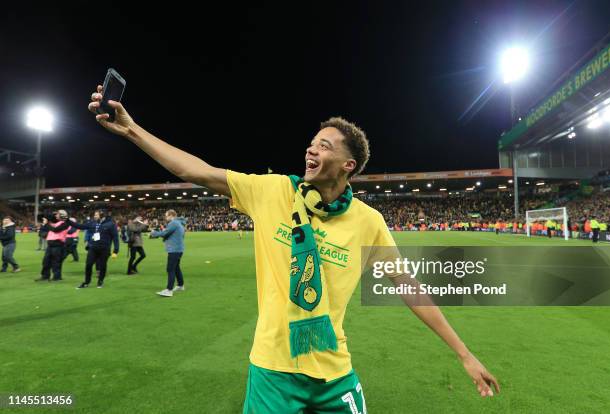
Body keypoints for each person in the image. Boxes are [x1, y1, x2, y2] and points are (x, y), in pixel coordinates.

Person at [88, 85, 499, 412]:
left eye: (323, 146)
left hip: (333, 371)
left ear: (347, 165)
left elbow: (409, 287)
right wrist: (132, 130)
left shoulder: (367, 221)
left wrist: (464, 354)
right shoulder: (273, 192)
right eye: (311, 142)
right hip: (271, 369)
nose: (311, 149)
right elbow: (193, 169)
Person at [72, 210, 119, 288]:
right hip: (93, 247)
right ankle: (86, 282)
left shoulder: (110, 224)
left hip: (105, 249)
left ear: (102, 215)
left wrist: (115, 250)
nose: (94, 216)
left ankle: (100, 281)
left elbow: (115, 237)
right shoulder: (93, 223)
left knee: (102, 266)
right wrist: (68, 221)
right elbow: (81, 226)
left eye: (96, 215)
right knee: (88, 265)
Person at [150, 210, 186, 297]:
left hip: (174, 250)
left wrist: (154, 233)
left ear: (171, 215)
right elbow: (168, 234)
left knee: (170, 269)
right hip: (179, 249)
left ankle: (169, 290)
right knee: (176, 267)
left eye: (166, 216)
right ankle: (180, 285)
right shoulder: (179, 223)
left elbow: (165, 233)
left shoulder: (173, 223)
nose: (165, 218)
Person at [35, 211, 73, 282]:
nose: (56, 216)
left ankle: (57, 277)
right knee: (46, 261)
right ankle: (45, 276)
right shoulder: (55, 223)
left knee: (56, 262)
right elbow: (49, 228)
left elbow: (55, 230)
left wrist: (46, 224)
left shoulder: (65, 224)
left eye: (57, 214)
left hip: (58, 245)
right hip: (50, 245)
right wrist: (44, 225)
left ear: (62, 215)